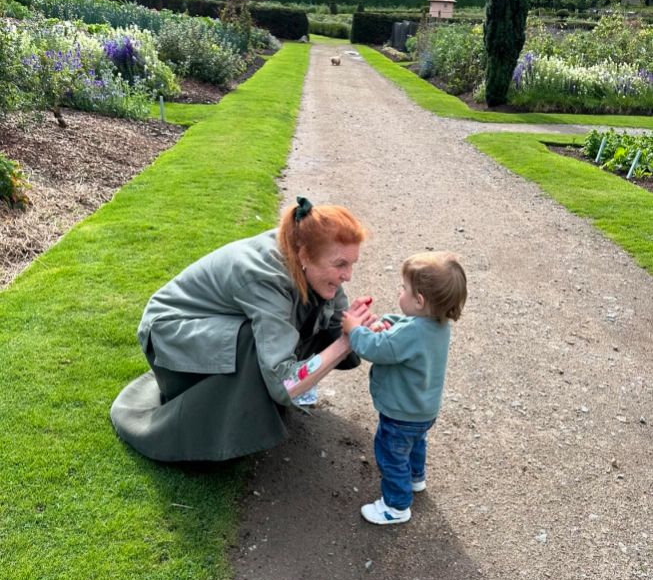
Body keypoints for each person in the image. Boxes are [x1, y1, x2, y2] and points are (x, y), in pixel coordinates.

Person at [111, 197, 374, 463]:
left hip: (206, 330)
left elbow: (337, 321)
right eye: (341, 264)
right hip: (168, 338)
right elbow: (285, 384)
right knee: (251, 340)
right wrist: (344, 345)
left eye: (352, 263)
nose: (348, 276)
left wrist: (370, 332)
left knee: (287, 326)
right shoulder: (265, 277)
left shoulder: (310, 256)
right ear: (305, 255)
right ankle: (201, 434)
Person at [342, 251, 467, 525]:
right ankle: (415, 478)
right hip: (423, 410)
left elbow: (375, 348)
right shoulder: (438, 325)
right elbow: (407, 327)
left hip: (400, 413)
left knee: (390, 454)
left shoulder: (411, 334)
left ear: (419, 300)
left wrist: (354, 329)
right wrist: (389, 323)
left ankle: (396, 506)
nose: (400, 292)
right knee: (414, 445)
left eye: (404, 289)